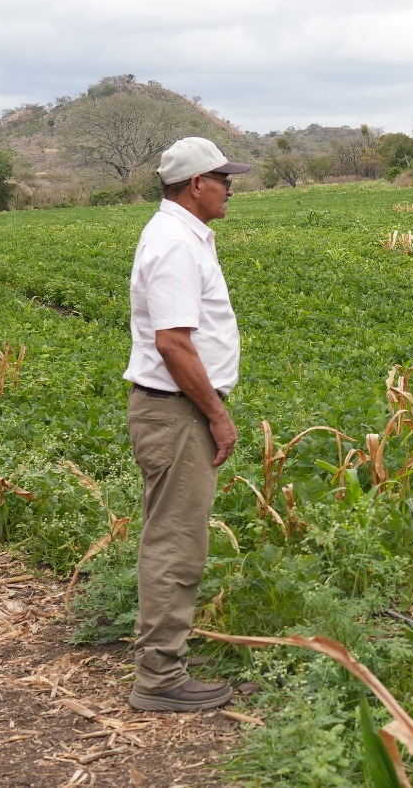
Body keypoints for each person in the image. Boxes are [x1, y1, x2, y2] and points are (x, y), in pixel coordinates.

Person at [123, 136, 250, 712]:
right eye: (224, 179)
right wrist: (218, 416)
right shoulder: (175, 244)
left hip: (177, 408)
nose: (230, 190)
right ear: (196, 184)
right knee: (176, 541)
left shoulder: (182, 235)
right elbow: (173, 343)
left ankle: (165, 657)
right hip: (177, 412)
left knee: (175, 535)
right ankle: (159, 677)